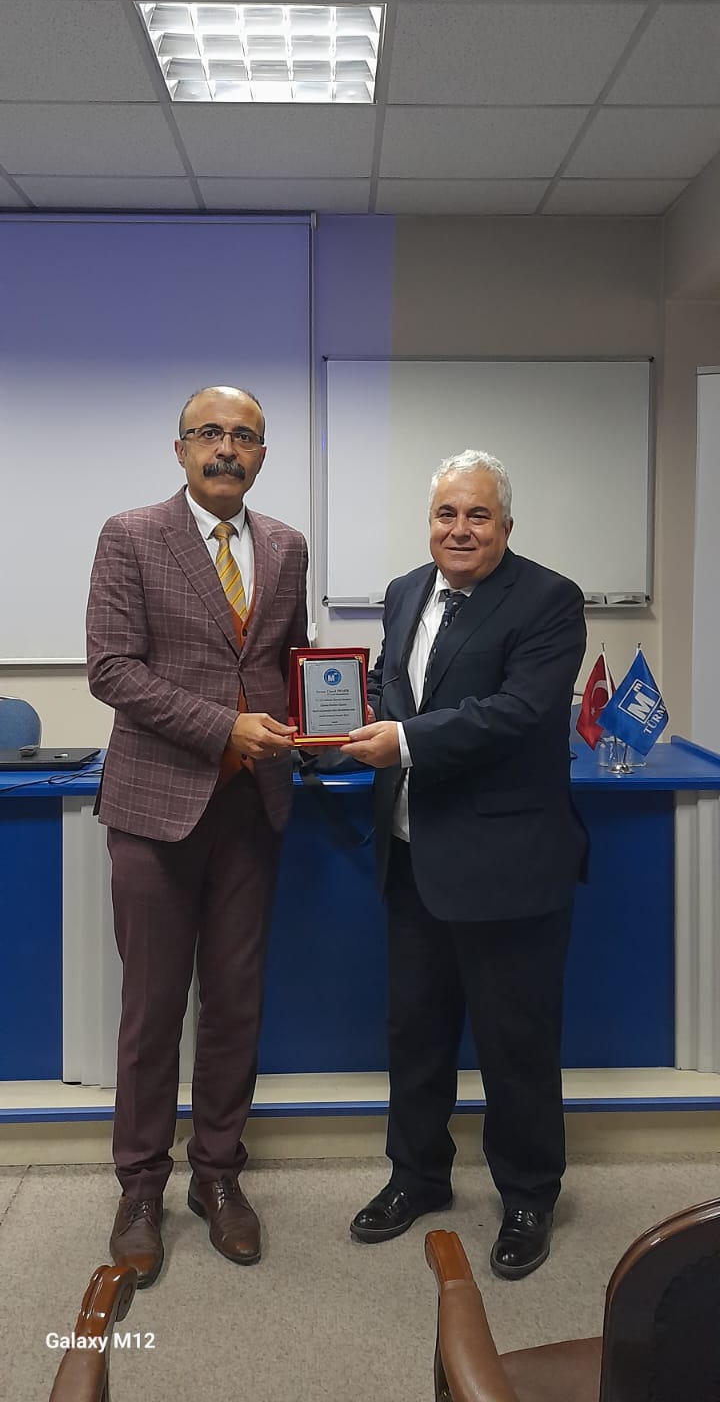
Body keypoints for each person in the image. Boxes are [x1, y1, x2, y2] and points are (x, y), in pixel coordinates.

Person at [345, 449, 587, 1279]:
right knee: (414, 1034)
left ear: (506, 525)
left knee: (516, 1042)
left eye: (477, 515)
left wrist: (403, 741)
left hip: (507, 863)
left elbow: (519, 711)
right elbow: (391, 693)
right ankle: (416, 1176)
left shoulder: (549, 598)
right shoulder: (405, 591)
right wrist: (333, 725)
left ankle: (528, 1196)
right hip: (412, 856)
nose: (460, 529)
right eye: (446, 514)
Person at [86, 385, 308, 1287]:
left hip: (253, 810)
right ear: (179, 448)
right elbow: (111, 668)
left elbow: (291, 662)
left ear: (262, 456)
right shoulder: (132, 535)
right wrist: (224, 727)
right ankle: (141, 1188)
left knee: (234, 1003)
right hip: (154, 810)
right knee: (151, 1010)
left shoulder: (286, 546)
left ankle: (218, 1174)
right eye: (209, 433)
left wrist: (334, 717)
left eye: (244, 436)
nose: (227, 448)